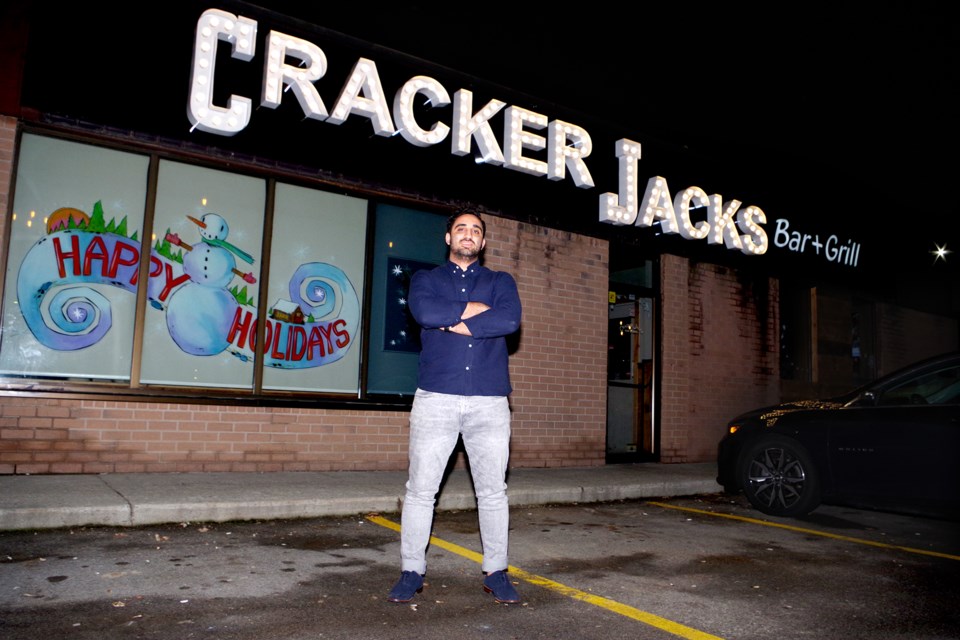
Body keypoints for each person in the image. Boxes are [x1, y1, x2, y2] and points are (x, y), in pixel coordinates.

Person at [387, 210, 523, 605]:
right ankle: (412, 571)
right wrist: (480, 313)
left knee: (493, 492)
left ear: (482, 243)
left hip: (490, 401)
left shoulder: (501, 281)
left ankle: (496, 572)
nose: (468, 235)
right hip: (436, 397)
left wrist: (449, 319)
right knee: (420, 491)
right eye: (461, 228)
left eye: (475, 231)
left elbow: (510, 319)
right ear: (449, 237)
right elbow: (425, 313)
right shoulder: (426, 280)